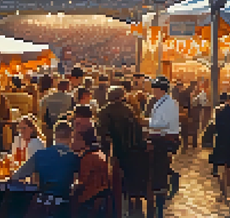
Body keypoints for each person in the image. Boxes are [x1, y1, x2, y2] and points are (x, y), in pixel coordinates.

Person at [10, 121, 80, 218]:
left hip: (42, 206)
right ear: (71, 137)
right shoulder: (74, 158)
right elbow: (80, 182)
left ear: (54, 136)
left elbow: (16, 177)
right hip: (64, 208)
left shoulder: (40, 155)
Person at [95, 86, 143, 215]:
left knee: (114, 181)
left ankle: (115, 205)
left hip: (112, 152)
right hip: (129, 151)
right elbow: (137, 131)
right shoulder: (129, 110)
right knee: (128, 178)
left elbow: (102, 134)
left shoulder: (103, 111)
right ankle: (132, 201)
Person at [144, 76, 180, 218]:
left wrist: (146, 123)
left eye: (155, 88)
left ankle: (165, 186)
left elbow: (163, 123)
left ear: (161, 89)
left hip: (164, 140)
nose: (153, 91)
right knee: (159, 167)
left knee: (160, 168)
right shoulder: (161, 102)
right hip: (159, 137)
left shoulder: (169, 104)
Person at [73, 125, 111, 217]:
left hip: (89, 201)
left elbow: (82, 183)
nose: (72, 142)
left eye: (75, 139)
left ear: (83, 141)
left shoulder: (88, 159)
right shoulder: (100, 154)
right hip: (102, 199)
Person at [39, 81, 74, 147]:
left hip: (49, 127)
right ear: (67, 87)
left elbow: (42, 113)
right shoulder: (69, 98)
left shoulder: (47, 98)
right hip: (64, 126)